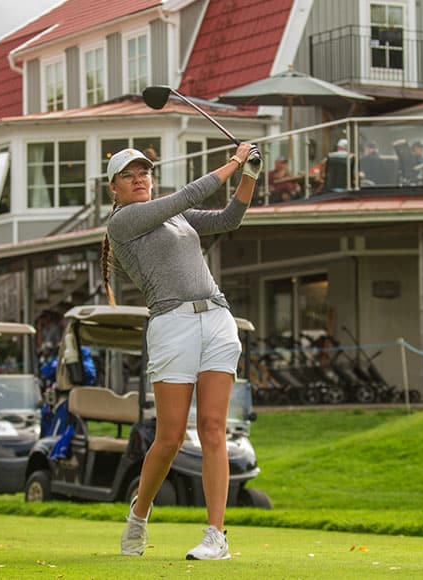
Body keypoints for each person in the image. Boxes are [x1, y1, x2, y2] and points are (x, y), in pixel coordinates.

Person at [103, 143, 260, 560]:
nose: (140, 178)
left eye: (144, 171)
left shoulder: (173, 215)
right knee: (170, 437)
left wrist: (250, 175)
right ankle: (138, 515)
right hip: (173, 324)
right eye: (129, 174)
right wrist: (234, 161)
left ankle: (216, 535)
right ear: (113, 188)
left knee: (212, 428)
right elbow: (189, 195)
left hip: (217, 318)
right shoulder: (123, 222)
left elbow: (229, 219)